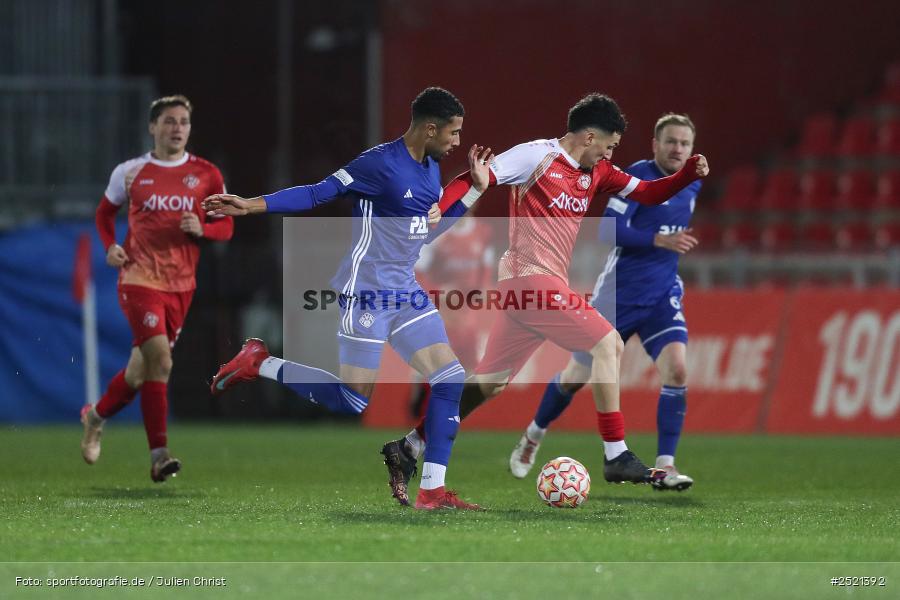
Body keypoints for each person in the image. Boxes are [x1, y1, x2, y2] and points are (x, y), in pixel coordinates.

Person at [381, 94, 709, 502]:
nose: (611, 153)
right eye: (609, 144)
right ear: (589, 136)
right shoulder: (536, 156)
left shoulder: (599, 171)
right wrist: (441, 205)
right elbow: (475, 178)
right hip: (530, 282)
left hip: (531, 292)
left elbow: (645, 192)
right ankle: (616, 453)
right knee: (608, 343)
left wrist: (686, 177)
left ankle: (410, 445)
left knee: (489, 384)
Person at [202, 87, 492, 510]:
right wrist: (251, 205)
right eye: (454, 132)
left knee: (449, 379)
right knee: (353, 399)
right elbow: (318, 192)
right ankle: (259, 362)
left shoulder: (431, 167)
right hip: (367, 290)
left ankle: (431, 493)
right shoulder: (378, 164)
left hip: (405, 290)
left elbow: (425, 233)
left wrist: (472, 192)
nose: (457, 141)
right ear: (430, 128)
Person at [509, 113, 701, 491]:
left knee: (677, 370)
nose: (678, 149)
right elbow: (606, 230)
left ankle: (665, 467)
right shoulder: (637, 177)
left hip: (662, 294)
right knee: (574, 378)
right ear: (655, 145)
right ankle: (533, 434)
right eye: (671, 141)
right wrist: (657, 241)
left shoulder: (691, 186)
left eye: (685, 143)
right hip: (618, 295)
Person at [80, 95, 234, 482]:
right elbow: (103, 214)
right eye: (168, 121)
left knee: (137, 375)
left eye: (183, 121)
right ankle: (159, 455)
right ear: (152, 127)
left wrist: (205, 229)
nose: (177, 128)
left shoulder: (206, 174)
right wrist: (110, 247)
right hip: (138, 278)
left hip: (180, 285)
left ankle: (95, 416)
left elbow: (227, 226)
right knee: (161, 362)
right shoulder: (131, 172)